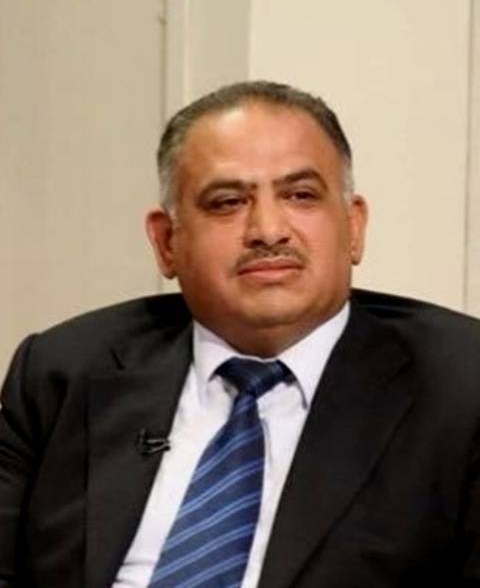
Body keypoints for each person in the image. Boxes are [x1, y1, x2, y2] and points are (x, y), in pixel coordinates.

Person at [1, 80, 480, 588]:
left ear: (353, 226)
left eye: (301, 195)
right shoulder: (64, 372)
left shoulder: (461, 388)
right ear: (167, 242)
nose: (268, 230)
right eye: (227, 202)